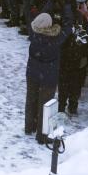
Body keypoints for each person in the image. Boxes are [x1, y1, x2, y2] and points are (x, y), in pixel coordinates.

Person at [26, 12, 70, 143]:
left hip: (32, 73)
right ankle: (42, 135)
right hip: (48, 77)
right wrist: (67, 10)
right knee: (45, 106)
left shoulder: (33, 34)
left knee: (31, 100)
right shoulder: (55, 39)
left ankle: (29, 126)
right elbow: (68, 28)